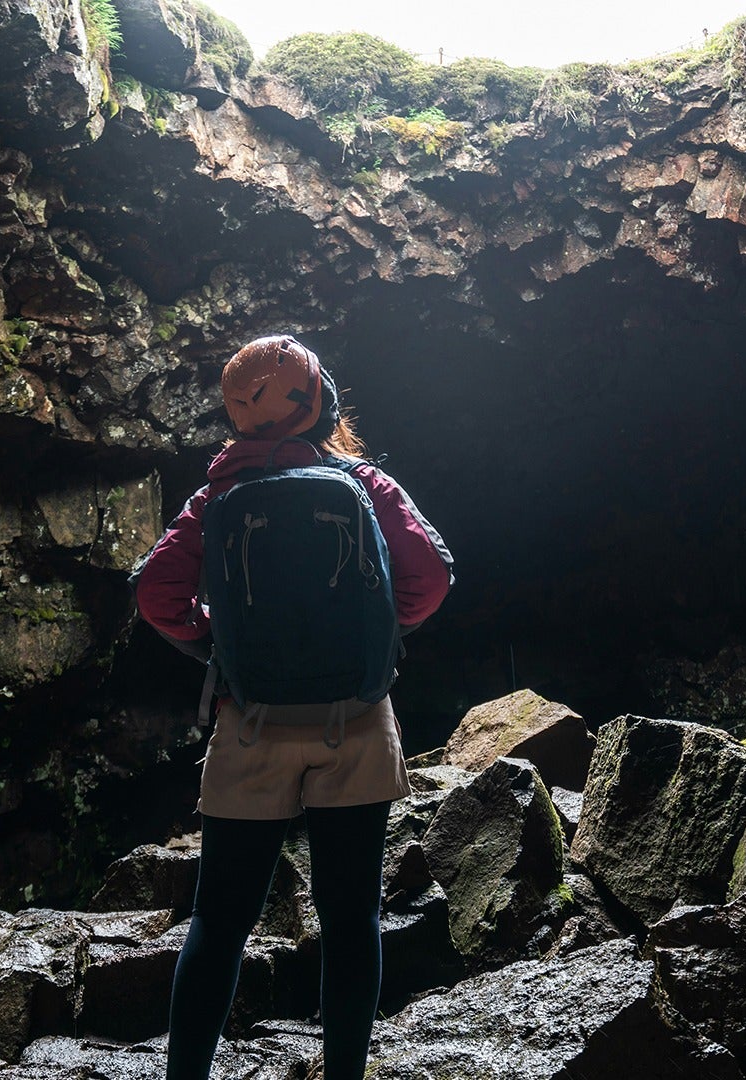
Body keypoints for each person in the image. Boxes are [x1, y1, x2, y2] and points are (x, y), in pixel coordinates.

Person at [134, 334, 453, 1080]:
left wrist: (220, 644)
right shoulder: (362, 480)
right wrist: (378, 628)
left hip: (252, 722)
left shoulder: (215, 495)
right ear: (321, 402)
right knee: (350, 919)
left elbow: (155, 596)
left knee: (219, 920)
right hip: (355, 719)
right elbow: (432, 578)